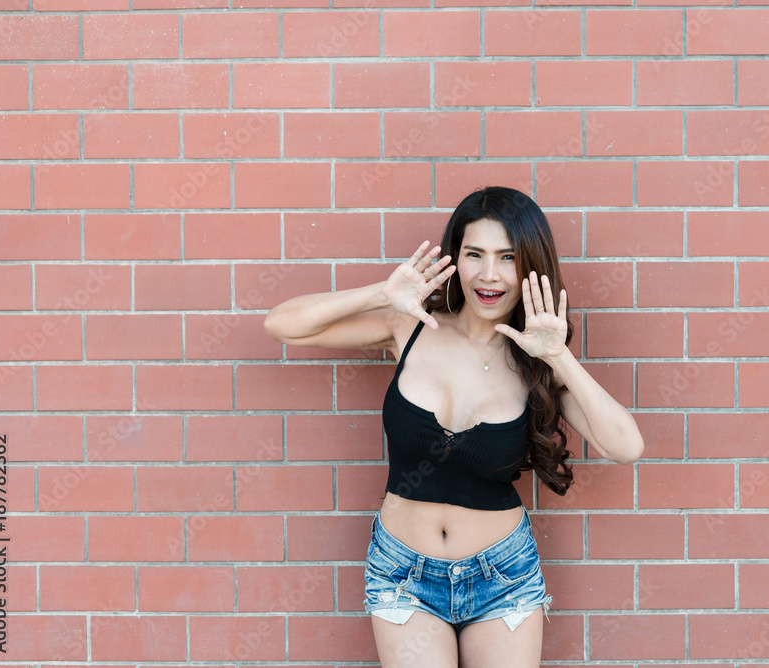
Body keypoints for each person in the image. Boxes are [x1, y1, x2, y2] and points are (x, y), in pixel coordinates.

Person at [263, 186, 644, 667]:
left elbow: (626, 446)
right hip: (402, 573)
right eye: (474, 254)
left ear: (530, 266)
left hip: (502, 577)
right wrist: (381, 294)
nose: (489, 275)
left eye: (508, 257)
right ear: (455, 260)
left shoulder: (537, 362)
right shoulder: (412, 325)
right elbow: (283, 324)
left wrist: (558, 355)